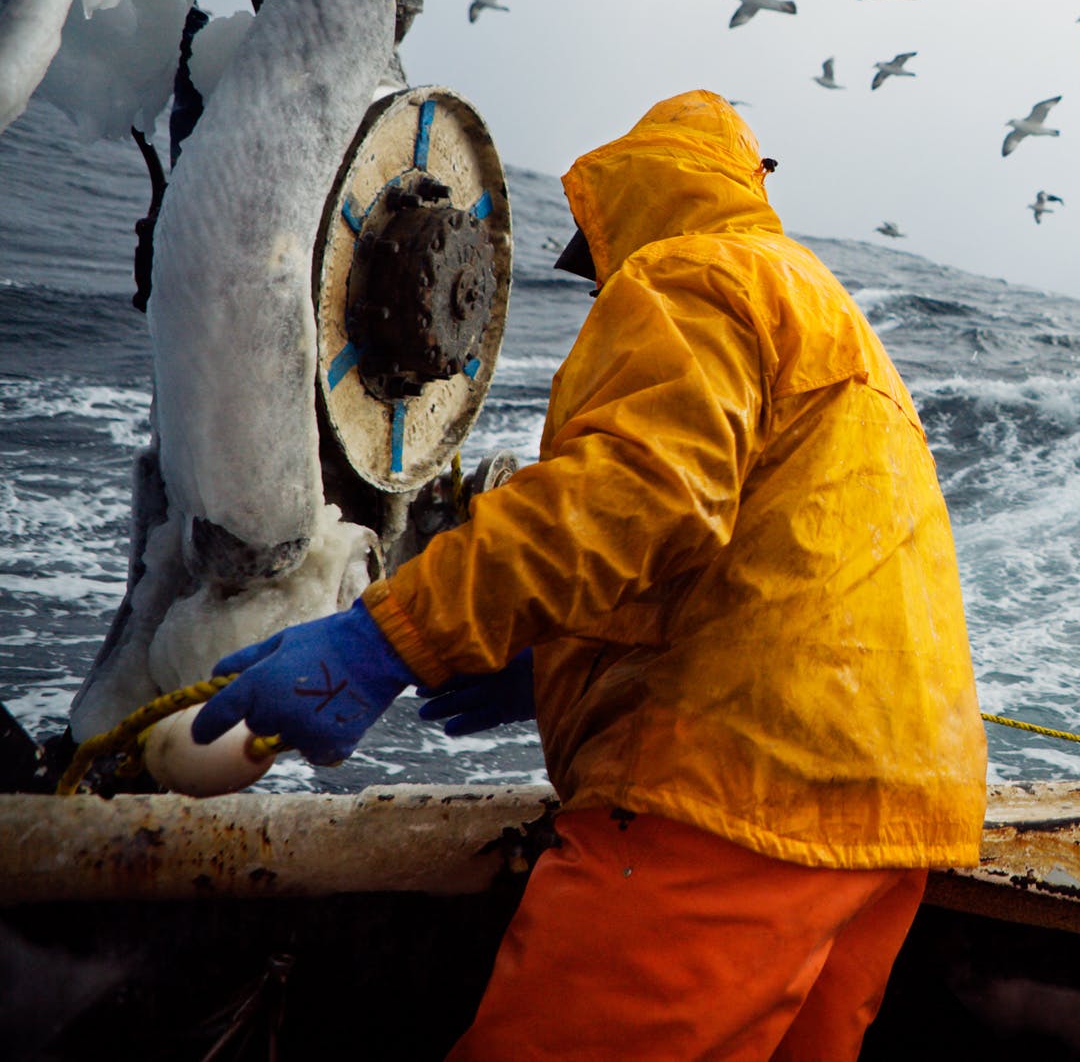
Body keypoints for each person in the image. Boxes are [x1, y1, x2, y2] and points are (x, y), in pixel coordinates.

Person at [195, 91, 988, 1060]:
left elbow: (635, 497)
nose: (604, 274)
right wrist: (558, 661)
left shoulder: (692, 277)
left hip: (734, 803)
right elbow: (778, 552)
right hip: (894, 815)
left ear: (639, 201)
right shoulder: (827, 314)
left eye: (598, 248)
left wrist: (385, 639)